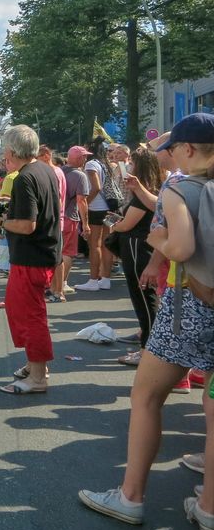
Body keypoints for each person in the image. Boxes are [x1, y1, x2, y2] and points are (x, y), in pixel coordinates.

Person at [79, 113, 214, 528]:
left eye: (173, 149)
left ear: (187, 150)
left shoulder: (180, 189)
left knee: (146, 397)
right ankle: (209, 508)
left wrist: (158, 241)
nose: (169, 156)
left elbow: (182, 245)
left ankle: (131, 496)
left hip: (190, 309)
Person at [0, 125, 60, 394]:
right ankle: (35, 366)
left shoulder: (24, 177)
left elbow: (28, 225)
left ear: (10, 150)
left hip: (32, 257)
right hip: (41, 254)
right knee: (22, 312)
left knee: (30, 317)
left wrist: (0, 220)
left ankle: (38, 376)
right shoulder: (44, 169)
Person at [110, 147, 163, 366]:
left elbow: (127, 224)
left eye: (131, 162)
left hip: (137, 249)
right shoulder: (148, 191)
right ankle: (147, 347)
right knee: (146, 301)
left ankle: (146, 350)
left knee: (145, 301)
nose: (127, 164)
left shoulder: (145, 195)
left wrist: (114, 224)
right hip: (138, 248)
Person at [76, 138, 116, 291]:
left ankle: (93, 280)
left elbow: (96, 187)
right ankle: (105, 279)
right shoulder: (106, 164)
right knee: (106, 245)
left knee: (95, 245)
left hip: (96, 209)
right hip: (109, 208)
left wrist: (86, 203)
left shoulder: (91, 164)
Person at [37, 145, 68, 302]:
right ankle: (54, 289)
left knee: (57, 257)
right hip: (56, 218)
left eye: (38, 157)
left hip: (55, 219)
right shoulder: (56, 171)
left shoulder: (53, 172)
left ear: (46, 155)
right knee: (54, 256)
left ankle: (58, 291)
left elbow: (56, 198)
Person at [60, 146, 91, 295]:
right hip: (69, 217)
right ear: (79, 158)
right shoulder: (80, 176)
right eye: (84, 157)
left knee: (55, 251)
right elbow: (82, 201)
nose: (86, 159)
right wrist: (85, 224)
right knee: (67, 252)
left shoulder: (58, 171)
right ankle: (62, 283)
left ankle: (50, 282)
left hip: (54, 217)